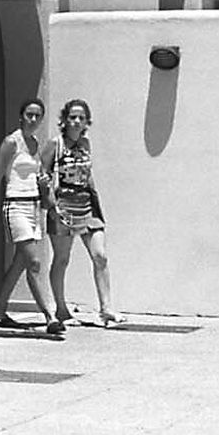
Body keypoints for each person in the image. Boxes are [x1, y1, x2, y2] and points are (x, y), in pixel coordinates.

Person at [0, 98, 65, 336]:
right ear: (21, 116)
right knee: (34, 262)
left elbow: (37, 176)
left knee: (20, 263)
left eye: (38, 115)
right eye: (29, 114)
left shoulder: (36, 144)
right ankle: (49, 316)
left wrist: (44, 184)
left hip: (33, 206)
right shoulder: (11, 142)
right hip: (15, 205)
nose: (34, 119)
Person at [44, 98, 123, 327]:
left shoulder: (86, 144)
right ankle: (61, 309)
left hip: (86, 205)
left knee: (100, 255)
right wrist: (50, 205)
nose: (77, 121)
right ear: (65, 120)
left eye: (81, 117)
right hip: (63, 206)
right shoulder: (55, 144)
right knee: (62, 259)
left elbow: (88, 175)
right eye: (72, 117)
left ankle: (106, 308)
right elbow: (42, 172)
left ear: (87, 121)